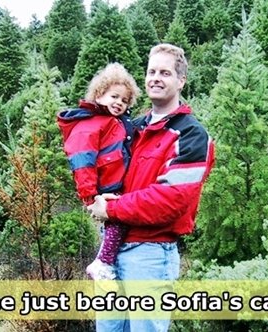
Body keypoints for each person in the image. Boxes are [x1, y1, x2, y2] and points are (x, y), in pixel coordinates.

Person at [87, 44, 215, 331]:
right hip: (110, 252)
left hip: (150, 255)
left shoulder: (191, 135)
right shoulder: (131, 127)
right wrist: (93, 194)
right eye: (151, 71)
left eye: (165, 72)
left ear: (181, 80)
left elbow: (170, 200)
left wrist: (110, 208)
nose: (156, 78)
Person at [57, 62, 140, 280]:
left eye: (124, 100)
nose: (119, 103)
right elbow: (82, 162)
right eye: (114, 96)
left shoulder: (117, 123)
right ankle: (103, 262)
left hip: (118, 184)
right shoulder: (90, 124)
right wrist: (90, 197)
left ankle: (106, 262)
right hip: (105, 187)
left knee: (118, 224)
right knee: (117, 221)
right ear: (99, 94)